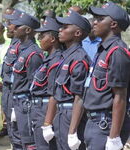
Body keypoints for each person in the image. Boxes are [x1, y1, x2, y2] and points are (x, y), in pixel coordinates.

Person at [83, 2, 130, 150]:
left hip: (106, 125)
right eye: (95, 18)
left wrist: (114, 136)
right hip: (94, 123)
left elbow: (120, 96)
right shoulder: (103, 50)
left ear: (113, 24)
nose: (94, 22)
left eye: (100, 18)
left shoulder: (117, 51)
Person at [42, 10, 91, 150]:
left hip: (71, 115)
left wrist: (72, 132)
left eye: (65, 27)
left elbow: (79, 97)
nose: (60, 30)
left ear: (77, 33)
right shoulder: (66, 56)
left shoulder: (79, 58)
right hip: (61, 114)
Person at [10, 12, 43, 150]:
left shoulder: (33, 53)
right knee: (18, 140)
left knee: (29, 142)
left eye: (18, 26)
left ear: (28, 30)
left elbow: (33, 86)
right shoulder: (22, 50)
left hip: (26, 104)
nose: (14, 28)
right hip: (18, 101)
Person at [31, 16, 62, 150]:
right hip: (39, 109)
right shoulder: (48, 58)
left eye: (42, 36)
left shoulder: (56, 61)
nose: (39, 39)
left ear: (53, 39)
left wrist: (47, 122)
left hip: (46, 110)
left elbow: (53, 94)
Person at [0, 9, 23, 149]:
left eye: (10, 23)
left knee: (18, 132)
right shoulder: (13, 43)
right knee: (11, 129)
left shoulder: (22, 46)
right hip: (8, 91)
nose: (7, 26)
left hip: (16, 93)